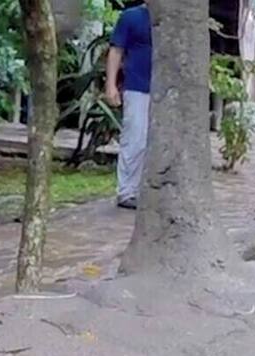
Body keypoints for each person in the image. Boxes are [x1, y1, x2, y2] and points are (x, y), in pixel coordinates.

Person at [105, 1, 151, 209]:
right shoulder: (131, 17)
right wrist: (111, 85)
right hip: (136, 87)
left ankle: (146, 190)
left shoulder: (171, 21)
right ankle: (126, 191)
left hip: (165, 92)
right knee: (135, 139)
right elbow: (116, 51)